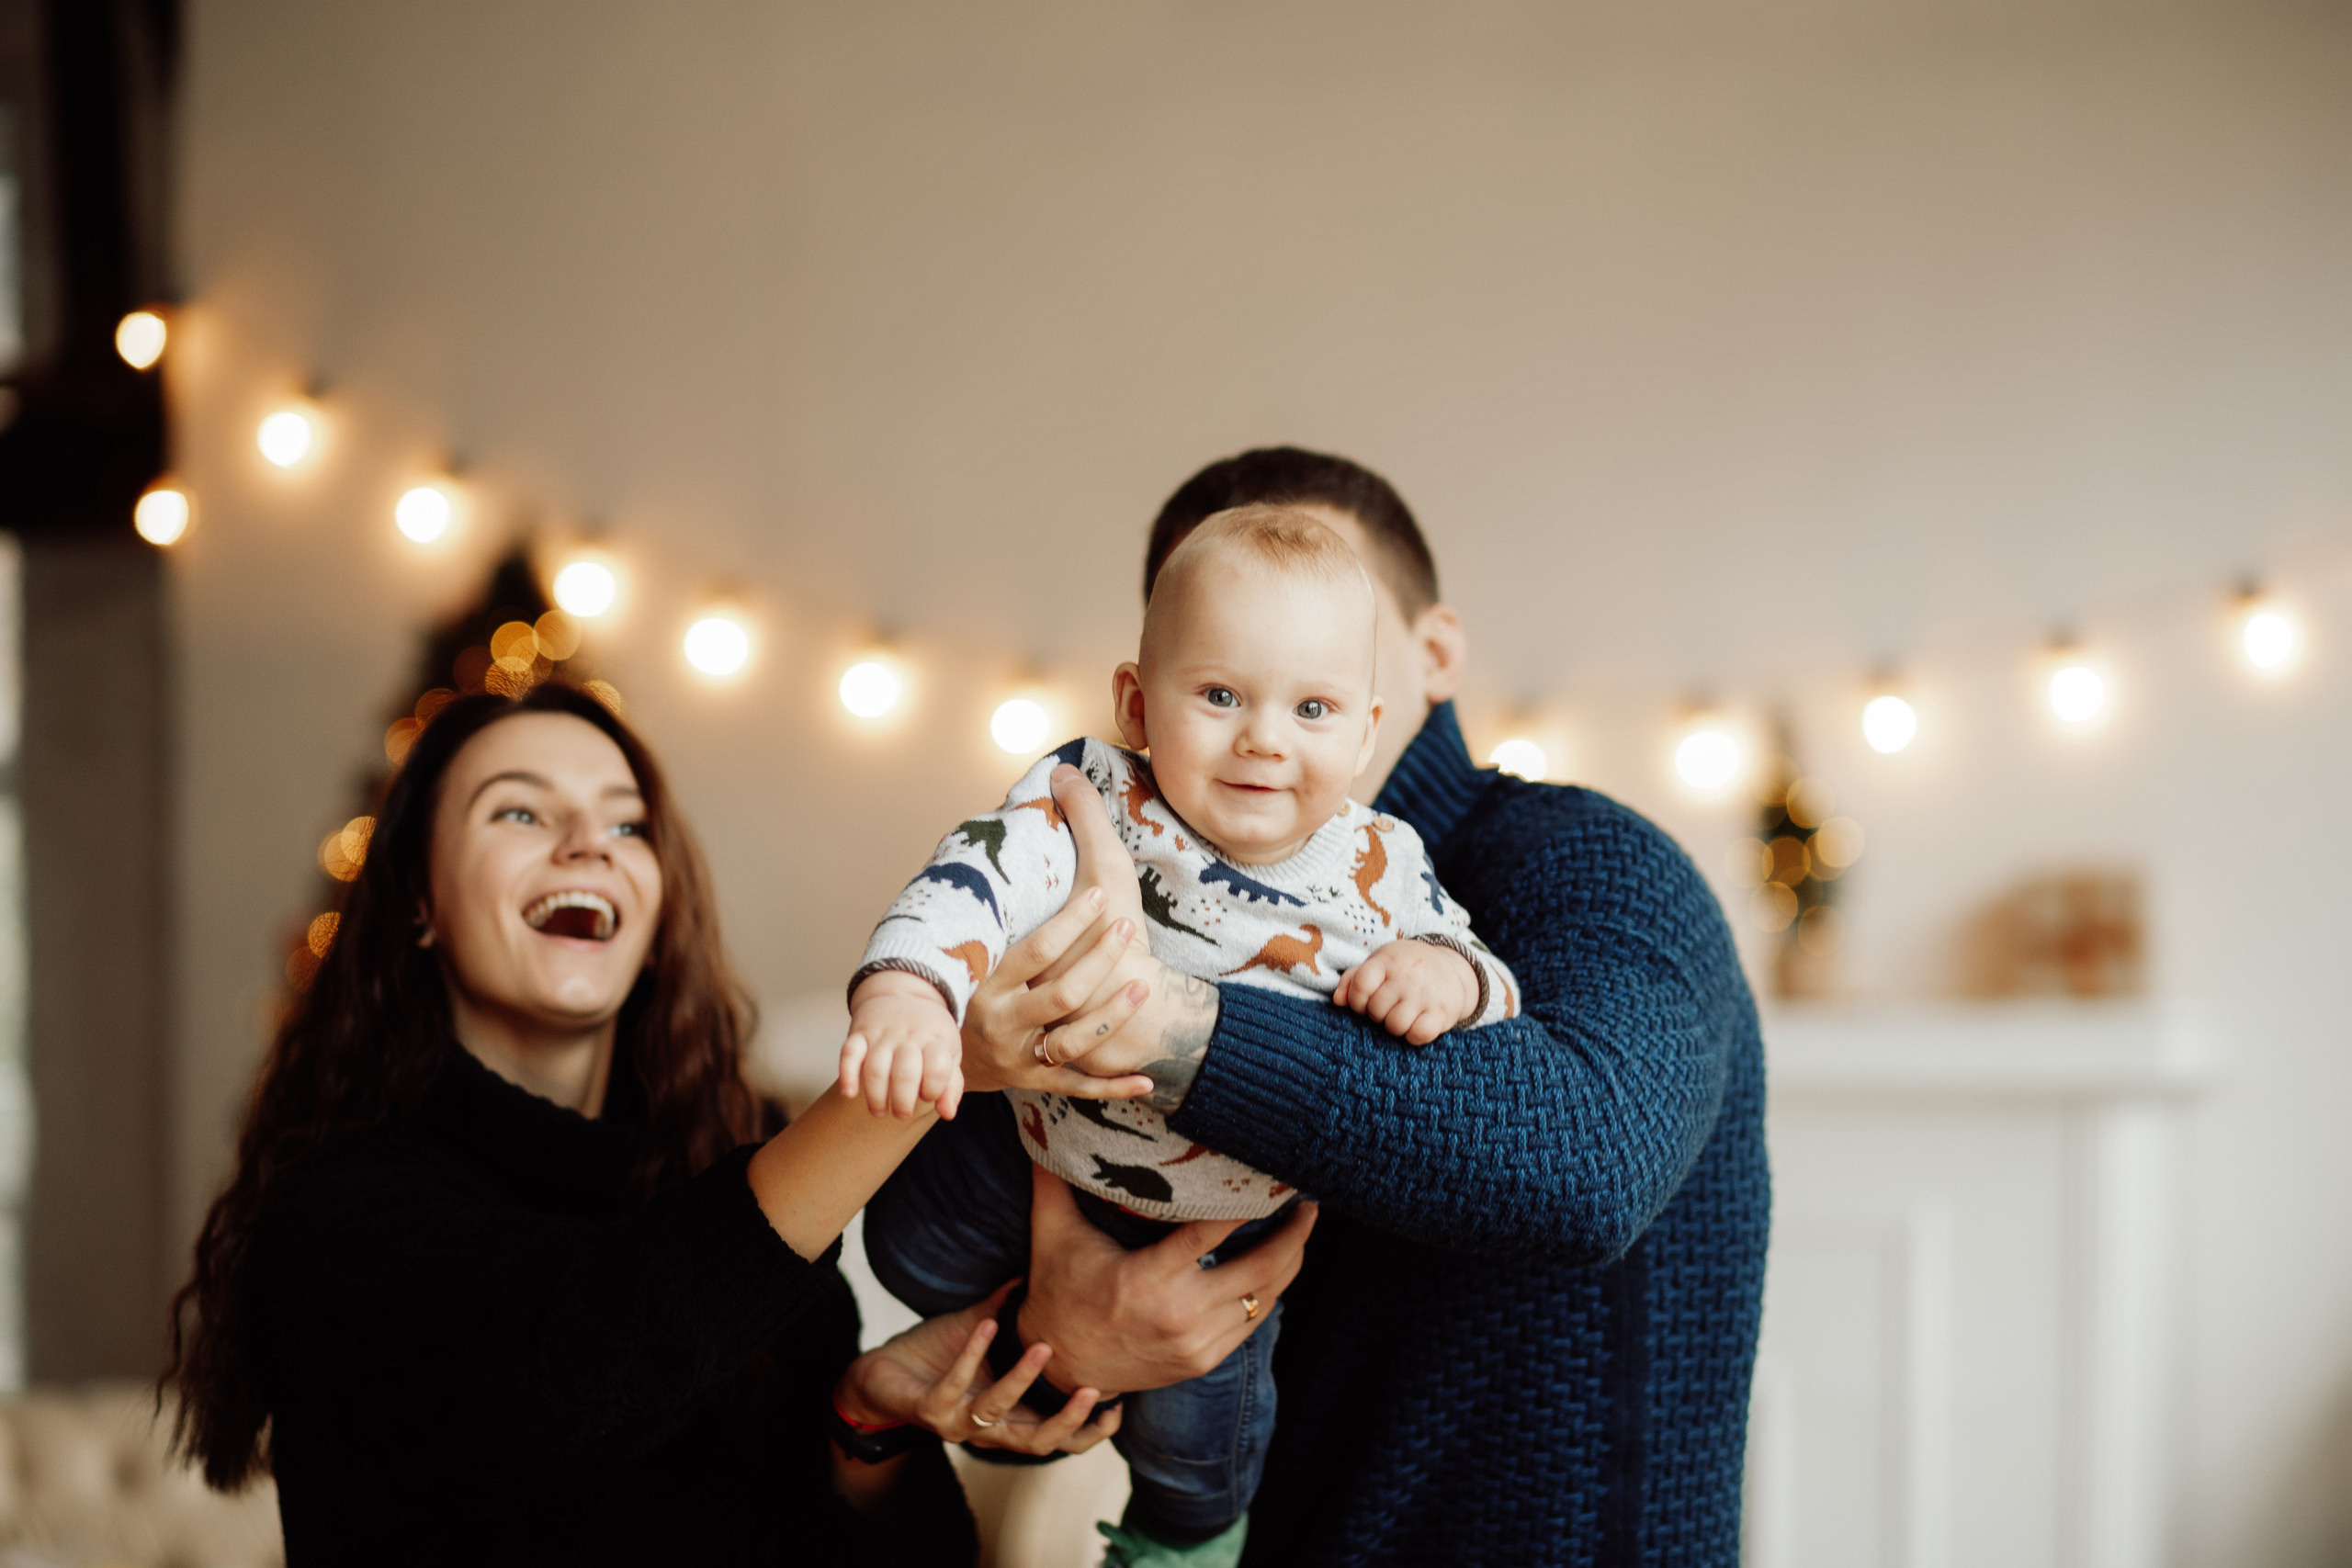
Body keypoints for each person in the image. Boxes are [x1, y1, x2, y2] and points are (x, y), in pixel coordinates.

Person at [163, 680, 1312, 1566]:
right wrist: (939, 1058)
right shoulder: (342, 1214)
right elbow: (587, 1358)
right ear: (414, 900)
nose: (586, 847)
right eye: (522, 812)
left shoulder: (723, 1150)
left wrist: (867, 1417)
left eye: (625, 826)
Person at [957, 448, 1770, 1565]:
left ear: (1428, 658)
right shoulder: (1127, 887)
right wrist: (1063, 1337)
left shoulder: (1590, 862)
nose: (1268, 711)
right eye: (1225, 665)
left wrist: (1169, 1027)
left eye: (1321, 647)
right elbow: (1014, 1395)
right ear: (1151, 687)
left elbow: (1593, 1160)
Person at [845, 505, 1519, 1564]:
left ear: (1365, 728)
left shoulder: (1379, 864)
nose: (1263, 737)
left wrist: (1441, 975)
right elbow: (971, 877)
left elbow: (1487, 972)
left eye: (1312, 707)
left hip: (1221, 1238)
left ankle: (1169, 1547)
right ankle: (966, 1352)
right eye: (1218, 695)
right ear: (1135, 702)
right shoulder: (1095, 795)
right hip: (1033, 1150)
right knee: (901, 1245)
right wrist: (905, 991)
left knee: (1200, 1464)